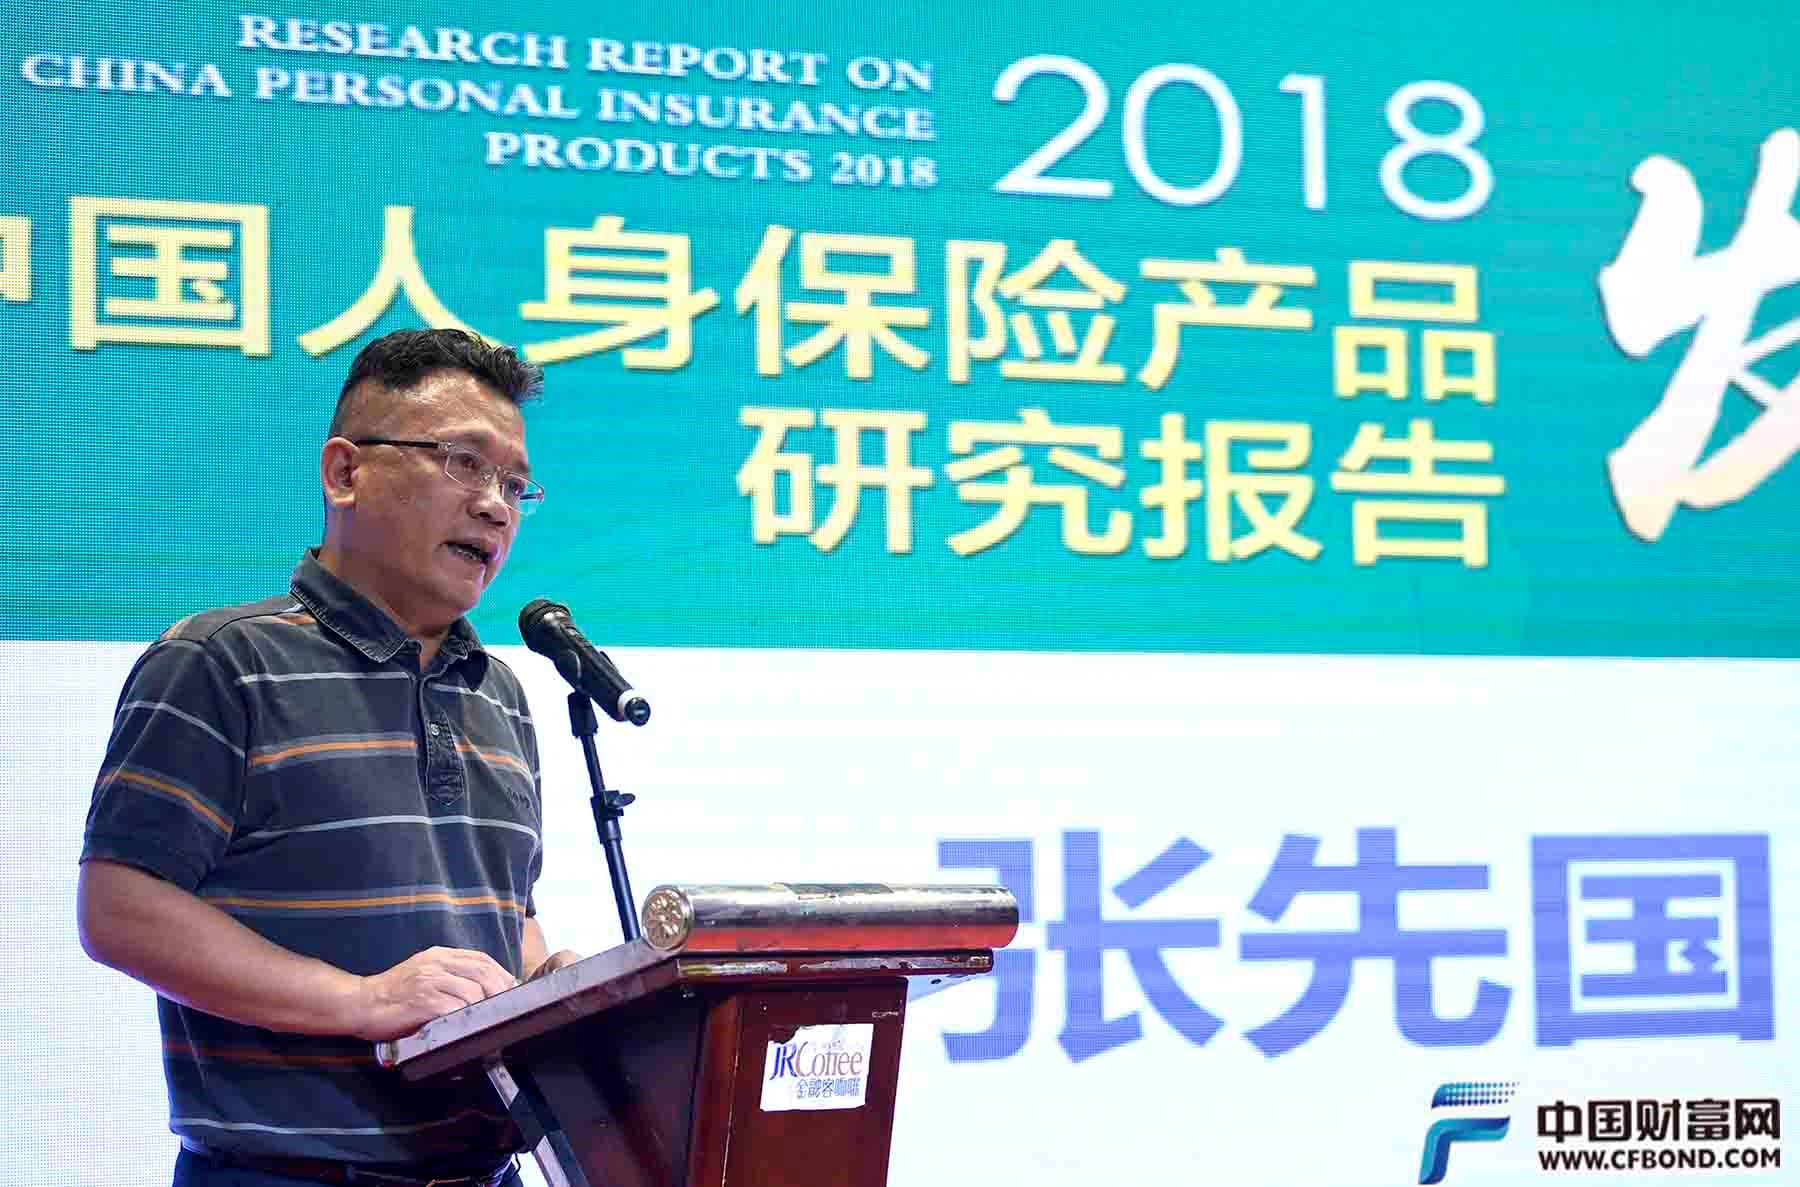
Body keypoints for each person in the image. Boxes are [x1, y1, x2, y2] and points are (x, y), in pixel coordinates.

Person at [78, 328, 581, 1187]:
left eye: (513, 483)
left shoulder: (498, 691)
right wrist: (362, 1001)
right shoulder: (221, 662)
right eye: (464, 463)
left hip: (486, 1170)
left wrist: (551, 983)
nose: (495, 507)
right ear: (345, 472)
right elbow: (120, 908)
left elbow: (503, 910)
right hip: (284, 1173)